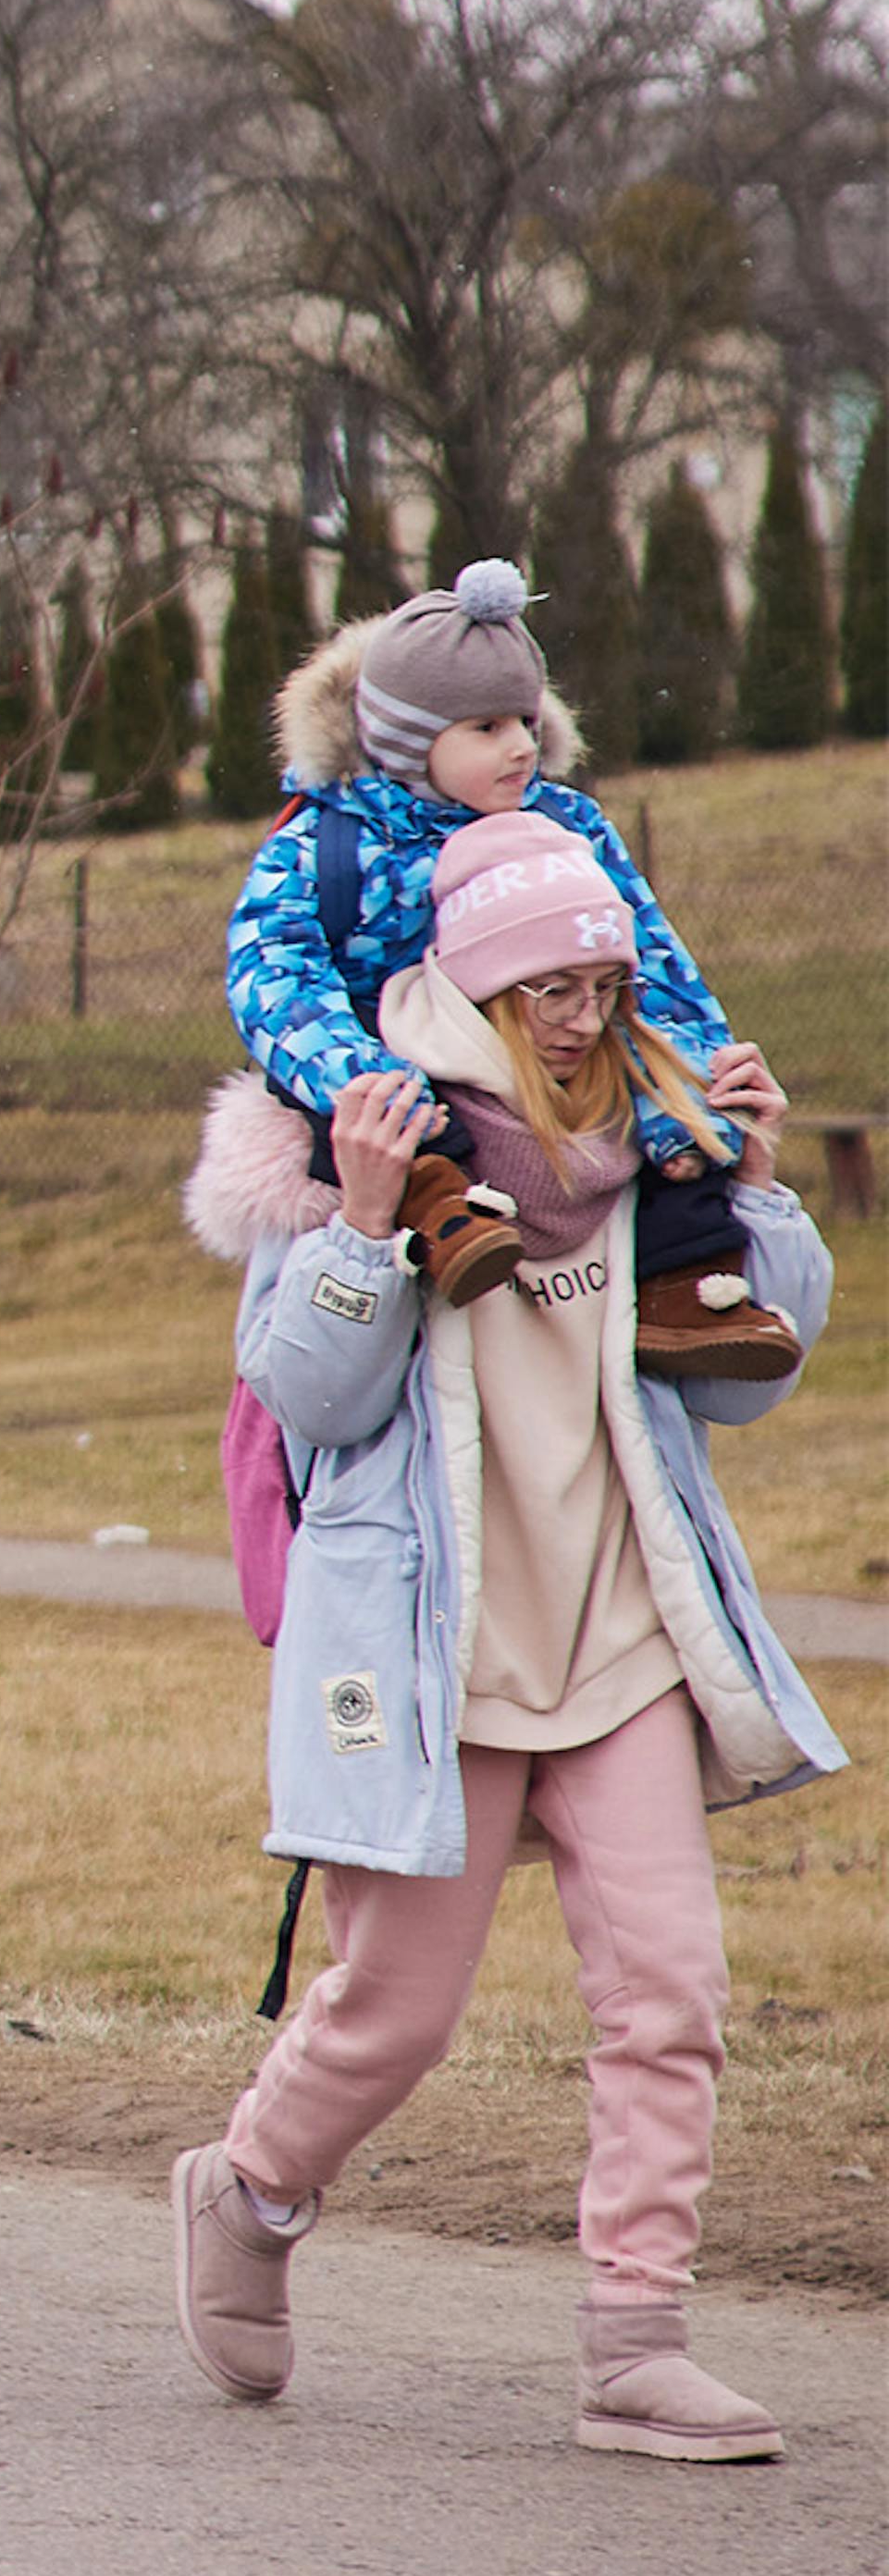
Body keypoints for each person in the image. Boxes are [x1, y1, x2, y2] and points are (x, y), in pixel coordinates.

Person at [175, 809, 836, 2458]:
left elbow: (752, 1373)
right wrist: (358, 1224)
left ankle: (632, 2338)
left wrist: (753, 1196)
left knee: (671, 1987)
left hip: (616, 1636)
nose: (575, 1009)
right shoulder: (371, 1131)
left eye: (600, 976)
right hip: (432, 1656)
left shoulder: (652, 1144)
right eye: (544, 980)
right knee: (391, 2010)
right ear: (473, 982)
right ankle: (249, 2189)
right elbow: (306, 1398)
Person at [234, 560, 797, 1375]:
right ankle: (444, 1216)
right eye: (487, 729)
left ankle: (689, 1288)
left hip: (562, 1048)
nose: (522, 746)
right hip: (391, 1057)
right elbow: (272, 971)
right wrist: (357, 1074)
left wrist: (690, 1084)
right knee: (349, 1113)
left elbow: (648, 952)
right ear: (407, 740)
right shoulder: (328, 844)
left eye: (526, 722)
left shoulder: (568, 823)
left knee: (672, 1118)